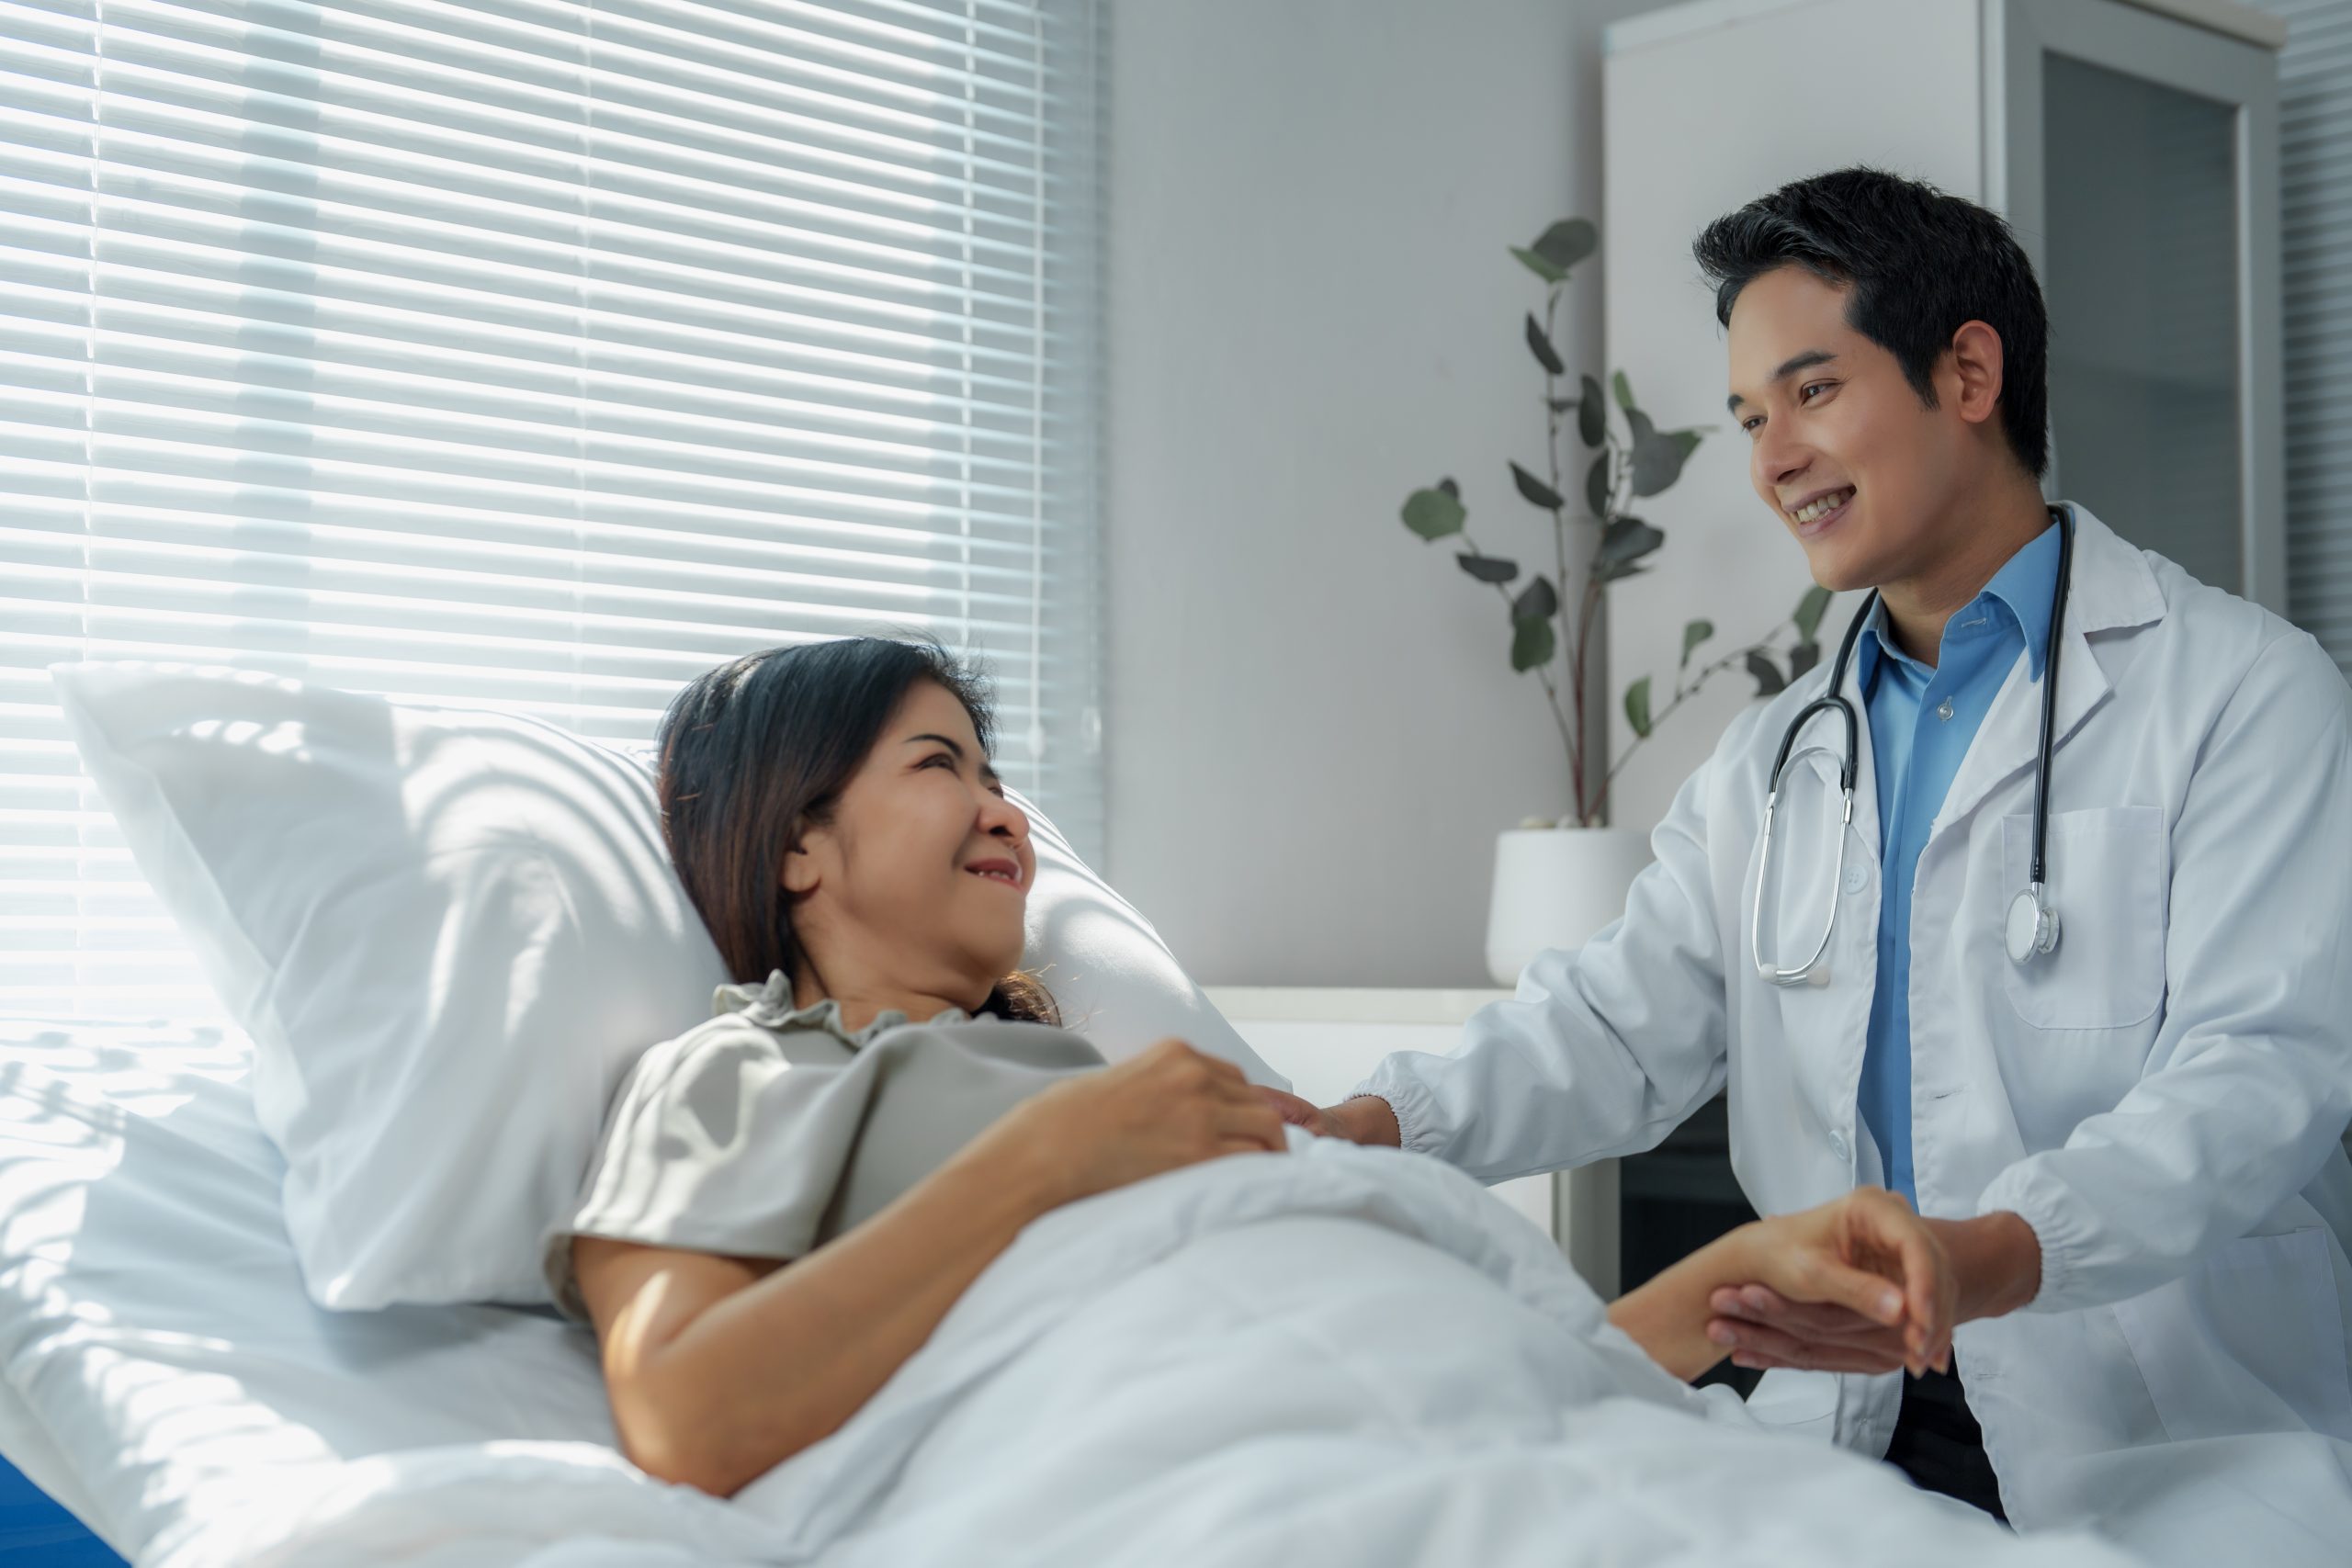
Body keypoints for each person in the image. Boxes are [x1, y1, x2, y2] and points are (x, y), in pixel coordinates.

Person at [1268, 167, 2352, 1530]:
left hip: (2155, 1408)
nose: (1772, 457)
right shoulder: (1779, 755)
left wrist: (1991, 1257)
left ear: (1967, 373)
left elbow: (2256, 1080)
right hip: (1844, 1412)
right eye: (1747, 417)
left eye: (1813, 390)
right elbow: (1612, 1024)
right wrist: (1372, 1127)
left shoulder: (2245, 693)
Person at [547, 636, 1962, 1498]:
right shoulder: (746, 1071)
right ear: (797, 844)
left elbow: (1463, 1361)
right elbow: (685, 1414)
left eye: (999, 776)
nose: (1004, 811)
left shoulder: (1092, 1076)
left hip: (1486, 1437)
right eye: (942, 767)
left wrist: (1727, 1290)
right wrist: (1058, 1156)